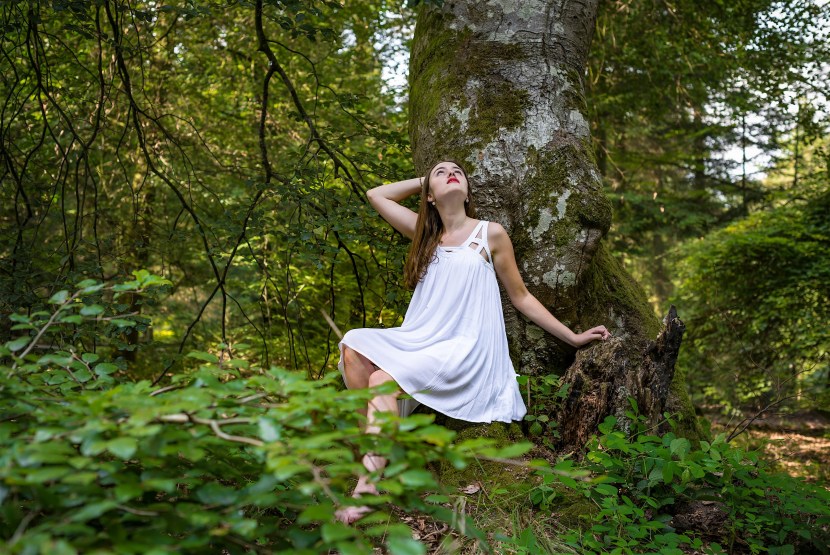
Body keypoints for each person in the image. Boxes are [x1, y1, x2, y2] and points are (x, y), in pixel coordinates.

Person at [334, 160, 611, 524]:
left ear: (467, 192)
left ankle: (368, 486)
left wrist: (573, 337)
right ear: (430, 196)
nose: (451, 172)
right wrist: (425, 179)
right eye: (441, 171)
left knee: (380, 380)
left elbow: (521, 297)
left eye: (458, 171)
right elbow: (376, 195)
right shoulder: (425, 236)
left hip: (464, 348)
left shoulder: (489, 234)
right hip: (419, 340)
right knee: (353, 346)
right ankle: (379, 450)